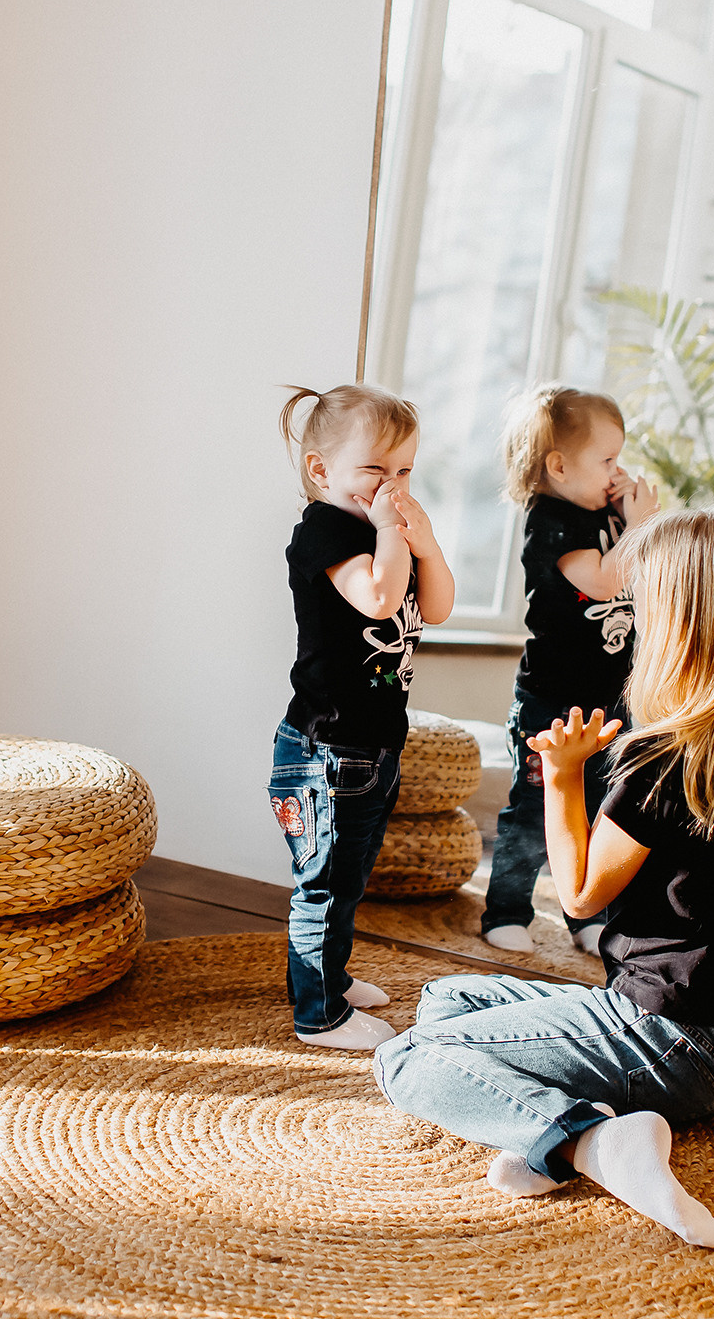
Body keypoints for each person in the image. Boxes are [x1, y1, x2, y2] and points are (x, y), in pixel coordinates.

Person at [374, 509, 714, 1246]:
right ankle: (565, 1124)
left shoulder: (661, 758)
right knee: (447, 998)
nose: (630, 621)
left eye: (641, 605)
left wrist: (562, 778)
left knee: (408, 1057)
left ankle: (587, 1140)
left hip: (665, 1037)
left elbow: (579, 895)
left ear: (682, 621)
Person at [272, 384, 455, 1051]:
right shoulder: (326, 530)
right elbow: (379, 600)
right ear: (322, 470)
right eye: (376, 470)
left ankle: (330, 978)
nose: (392, 486)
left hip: (374, 746)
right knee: (322, 882)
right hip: (327, 750)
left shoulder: (389, 533)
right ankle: (318, 1014)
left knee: (348, 877)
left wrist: (424, 541)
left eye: (404, 471)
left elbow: (434, 608)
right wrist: (387, 531)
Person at [482, 385, 658, 957]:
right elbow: (605, 582)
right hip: (553, 699)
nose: (618, 471)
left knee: (601, 807)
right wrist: (638, 524)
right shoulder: (552, 521)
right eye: (607, 460)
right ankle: (505, 909)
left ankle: (586, 909)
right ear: (558, 466)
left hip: (610, 697)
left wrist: (636, 521)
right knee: (534, 809)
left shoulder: (608, 515)